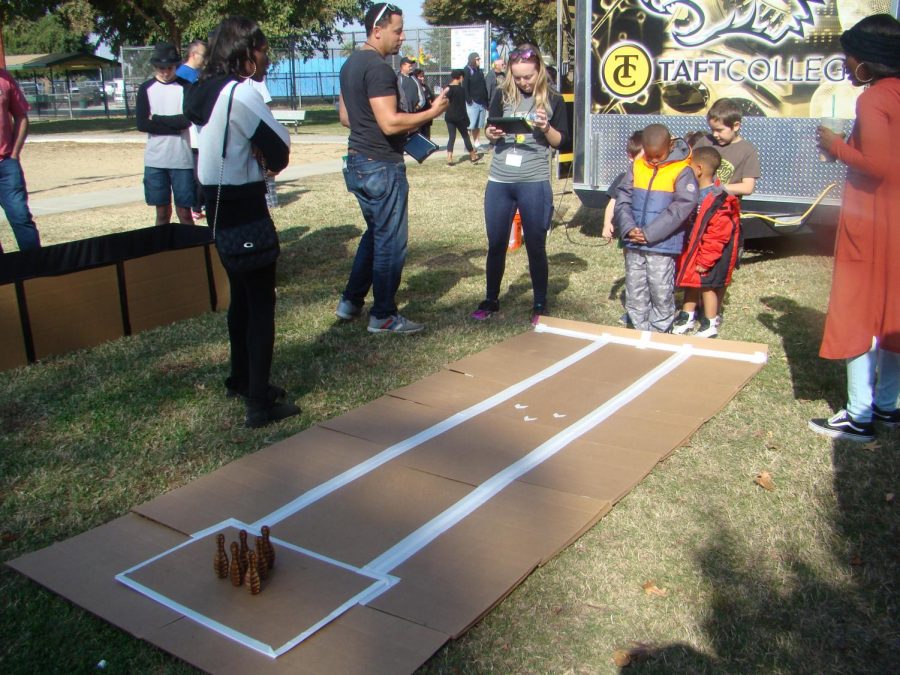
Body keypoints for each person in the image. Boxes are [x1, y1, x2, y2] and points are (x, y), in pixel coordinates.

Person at [184, 16, 299, 428]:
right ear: (246, 53)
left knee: (242, 296)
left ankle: (241, 378)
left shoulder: (203, 90)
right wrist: (266, 149)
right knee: (261, 302)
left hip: (216, 204)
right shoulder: (239, 92)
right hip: (243, 204)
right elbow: (280, 149)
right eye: (263, 50)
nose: (266, 58)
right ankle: (258, 403)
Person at [808, 14, 900, 442]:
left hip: (873, 218)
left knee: (858, 310)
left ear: (869, 60)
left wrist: (835, 146)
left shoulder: (874, 99)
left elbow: (879, 165)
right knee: (892, 313)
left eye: (850, 55)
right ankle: (887, 404)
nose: (846, 64)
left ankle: (858, 414)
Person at [335, 2, 449, 334]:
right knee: (390, 242)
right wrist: (433, 112)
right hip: (381, 166)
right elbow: (389, 122)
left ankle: (350, 302)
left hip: (358, 162)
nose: (402, 38)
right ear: (377, 30)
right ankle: (383, 315)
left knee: (375, 234)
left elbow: (346, 117)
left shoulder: (350, 65)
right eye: (398, 31)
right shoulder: (380, 69)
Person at [470, 43, 569, 321]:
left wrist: (546, 128)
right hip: (500, 180)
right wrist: (492, 132)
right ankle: (491, 300)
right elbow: (492, 130)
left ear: (539, 70)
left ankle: (539, 303)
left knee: (536, 244)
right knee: (496, 243)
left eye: (528, 76)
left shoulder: (554, 100)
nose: (523, 82)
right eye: (518, 77)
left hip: (534, 180)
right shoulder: (501, 95)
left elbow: (563, 142)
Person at [613, 123, 698, 332]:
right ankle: (638, 326)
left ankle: (661, 329)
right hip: (634, 240)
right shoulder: (637, 166)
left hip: (662, 243)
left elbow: (681, 208)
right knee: (635, 286)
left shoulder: (682, 170)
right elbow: (623, 197)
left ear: (669, 146)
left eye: (657, 156)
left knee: (660, 287)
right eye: (648, 155)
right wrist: (628, 228)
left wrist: (650, 233)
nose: (652, 160)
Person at [671, 146, 741, 339]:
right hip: (693, 249)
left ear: (699, 169)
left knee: (707, 286)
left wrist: (706, 259)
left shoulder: (718, 199)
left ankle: (710, 322)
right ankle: (687, 316)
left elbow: (718, 233)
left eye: (689, 167)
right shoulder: (694, 193)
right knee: (690, 283)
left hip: (707, 254)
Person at [136, 43, 195, 226]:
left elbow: (186, 120)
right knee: (162, 213)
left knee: (184, 213)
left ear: (175, 66)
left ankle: (191, 249)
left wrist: (158, 119)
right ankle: (163, 250)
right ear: (155, 67)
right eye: (161, 68)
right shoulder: (146, 88)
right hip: (156, 160)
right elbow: (143, 124)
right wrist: (174, 126)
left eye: (169, 68)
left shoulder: (186, 87)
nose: (165, 72)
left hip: (181, 159)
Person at [0, 66, 40, 252]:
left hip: (7, 165)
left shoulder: (4, 78)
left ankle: (35, 268)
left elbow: (21, 116)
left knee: (21, 217)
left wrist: (14, 154)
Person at [693, 97, 760, 198]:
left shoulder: (747, 150)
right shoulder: (705, 141)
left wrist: (715, 189)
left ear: (736, 126)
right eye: (712, 130)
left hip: (724, 209)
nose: (715, 134)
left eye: (719, 130)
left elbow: (748, 187)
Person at [176, 39, 209, 221]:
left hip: (199, 129)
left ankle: (198, 206)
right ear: (193, 54)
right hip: (190, 131)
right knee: (196, 172)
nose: (205, 60)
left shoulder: (197, 74)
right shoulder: (183, 75)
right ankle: (194, 207)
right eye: (203, 56)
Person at [601, 129, 643, 240]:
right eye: (643, 158)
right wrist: (607, 223)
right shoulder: (623, 178)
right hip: (628, 227)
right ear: (630, 156)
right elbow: (612, 203)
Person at [444, 69, 478, 165]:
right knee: (465, 136)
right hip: (459, 116)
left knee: (452, 137)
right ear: (461, 77)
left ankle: (449, 157)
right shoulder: (461, 90)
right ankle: (472, 155)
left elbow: (445, 101)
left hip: (449, 116)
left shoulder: (447, 88)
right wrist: (466, 120)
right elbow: (463, 106)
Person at [463, 52, 488, 149]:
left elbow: (483, 86)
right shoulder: (467, 70)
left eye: (479, 59)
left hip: (481, 103)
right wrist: (469, 100)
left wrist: (486, 101)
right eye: (477, 59)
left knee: (478, 125)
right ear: (473, 60)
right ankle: (467, 145)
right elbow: (465, 86)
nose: (479, 61)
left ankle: (477, 143)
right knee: (471, 125)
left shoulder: (479, 71)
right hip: (472, 103)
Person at [412, 68, 434, 139]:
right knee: (419, 134)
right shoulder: (414, 87)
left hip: (427, 115)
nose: (422, 78)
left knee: (427, 135)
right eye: (420, 77)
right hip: (419, 115)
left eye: (423, 76)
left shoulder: (425, 87)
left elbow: (431, 97)